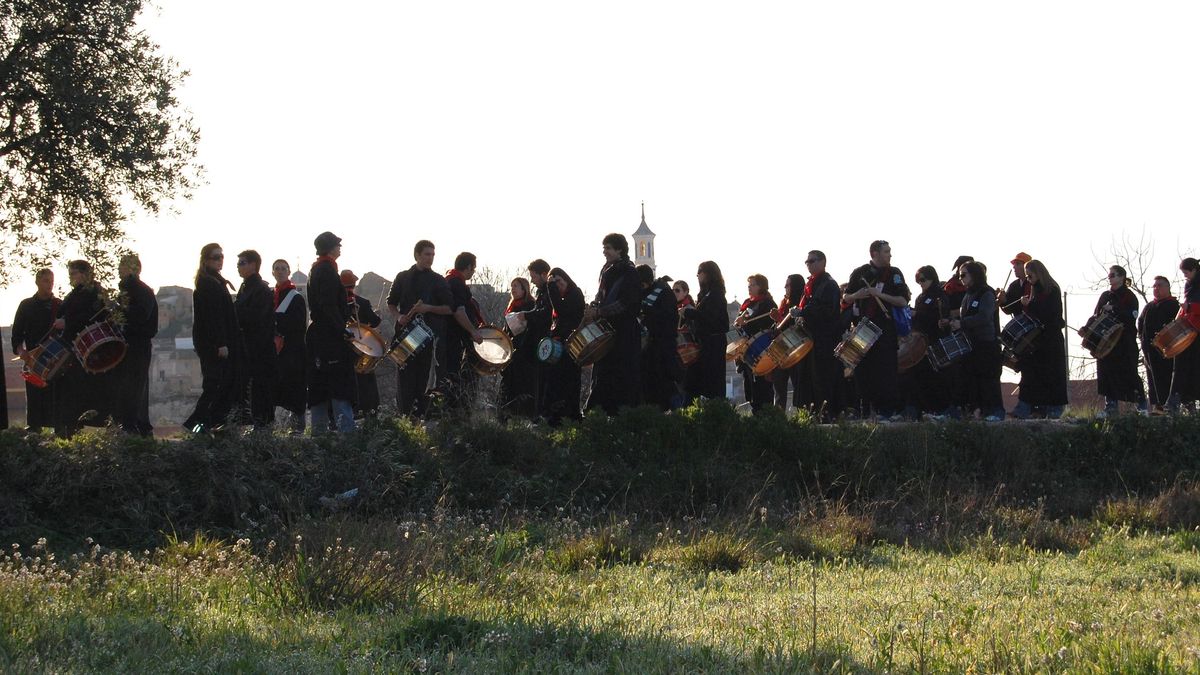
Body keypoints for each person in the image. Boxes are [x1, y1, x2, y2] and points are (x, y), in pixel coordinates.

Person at [842, 240, 911, 419]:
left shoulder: (894, 273)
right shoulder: (859, 273)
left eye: (889, 251)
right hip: (862, 328)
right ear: (874, 253)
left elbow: (903, 301)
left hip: (885, 329)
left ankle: (887, 410)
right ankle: (865, 409)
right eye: (886, 251)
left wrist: (879, 294)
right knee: (862, 371)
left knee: (886, 370)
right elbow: (846, 297)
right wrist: (858, 295)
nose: (890, 255)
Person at [387, 240, 452, 417]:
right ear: (417, 255)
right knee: (404, 378)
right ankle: (404, 417)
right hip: (405, 334)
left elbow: (449, 308)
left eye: (432, 254)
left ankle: (419, 417)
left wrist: (428, 308)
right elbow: (391, 302)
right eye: (427, 254)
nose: (430, 258)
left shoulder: (438, 280)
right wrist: (399, 316)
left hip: (427, 336)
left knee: (423, 379)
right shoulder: (402, 277)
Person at [185, 244, 241, 433]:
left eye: (221, 256)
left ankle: (207, 425)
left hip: (214, 343)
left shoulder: (214, 281)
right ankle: (197, 425)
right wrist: (221, 343)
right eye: (216, 257)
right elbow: (213, 317)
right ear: (206, 260)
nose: (220, 260)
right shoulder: (208, 284)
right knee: (215, 385)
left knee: (219, 384)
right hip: (214, 345)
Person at [53, 260, 113, 436]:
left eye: (73, 273)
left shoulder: (95, 293)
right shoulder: (76, 293)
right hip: (73, 350)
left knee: (85, 393)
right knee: (71, 393)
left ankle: (81, 428)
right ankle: (69, 428)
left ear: (84, 274)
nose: (70, 277)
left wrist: (67, 322)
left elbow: (92, 317)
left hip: (89, 352)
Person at [584, 233, 641, 415]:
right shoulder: (607, 270)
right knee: (602, 375)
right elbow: (601, 296)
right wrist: (593, 307)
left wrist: (600, 312)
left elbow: (626, 304)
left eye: (608, 248)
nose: (604, 252)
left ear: (619, 250)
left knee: (620, 379)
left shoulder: (630, 273)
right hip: (606, 332)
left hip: (623, 334)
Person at [306, 231, 355, 433]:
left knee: (319, 384)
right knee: (338, 383)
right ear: (330, 248)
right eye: (337, 245)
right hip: (329, 337)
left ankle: (319, 432)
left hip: (319, 335)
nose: (340, 248)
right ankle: (346, 431)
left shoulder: (317, 269)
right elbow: (328, 305)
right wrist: (342, 329)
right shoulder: (326, 270)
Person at [1011, 259, 1068, 419]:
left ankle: (1054, 408)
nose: (1028, 279)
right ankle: (1034, 407)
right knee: (1035, 374)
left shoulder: (1052, 289)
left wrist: (1029, 305)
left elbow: (1050, 314)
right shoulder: (1034, 290)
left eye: (1030, 276)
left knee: (1053, 374)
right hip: (1038, 339)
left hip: (1051, 338)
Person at [948, 261, 1004, 420]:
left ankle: (995, 412)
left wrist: (963, 323)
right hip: (971, 344)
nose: (961, 279)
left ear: (974, 274)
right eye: (960, 276)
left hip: (986, 344)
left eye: (964, 275)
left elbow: (984, 316)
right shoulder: (968, 294)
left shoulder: (986, 293)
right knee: (972, 381)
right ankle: (975, 411)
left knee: (989, 381)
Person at [1093, 265, 1146, 417]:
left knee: (1130, 373)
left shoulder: (1130, 297)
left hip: (1124, 342)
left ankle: (1141, 405)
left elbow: (1132, 316)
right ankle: (1111, 406)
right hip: (1107, 342)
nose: (1110, 278)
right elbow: (1096, 314)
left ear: (1122, 277)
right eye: (1109, 275)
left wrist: (1114, 309)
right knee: (1107, 373)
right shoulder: (1105, 296)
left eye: (1113, 275)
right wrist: (1086, 328)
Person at [11, 268, 60, 430]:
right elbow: (17, 334)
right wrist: (21, 352)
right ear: (37, 282)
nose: (50, 285)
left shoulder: (59, 305)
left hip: (54, 358)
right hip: (32, 359)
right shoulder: (26, 305)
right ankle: (34, 429)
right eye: (46, 281)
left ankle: (57, 430)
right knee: (34, 395)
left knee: (54, 395)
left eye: (52, 281)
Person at [115, 254, 158, 436]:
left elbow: (140, 316)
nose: (119, 270)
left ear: (134, 270)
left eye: (123, 267)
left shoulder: (142, 291)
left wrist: (118, 309)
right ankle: (132, 425)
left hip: (137, 344)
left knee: (135, 386)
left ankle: (134, 426)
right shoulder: (127, 292)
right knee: (129, 385)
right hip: (127, 343)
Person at [799, 251, 843, 421]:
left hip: (825, 338)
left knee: (824, 377)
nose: (809, 264)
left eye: (812, 261)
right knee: (812, 377)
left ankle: (827, 412)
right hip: (813, 337)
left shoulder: (829, 284)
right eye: (807, 261)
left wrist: (805, 312)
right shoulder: (812, 284)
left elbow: (829, 311)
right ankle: (815, 411)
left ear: (823, 262)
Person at [234, 250, 276, 429]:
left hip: (260, 348)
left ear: (253, 265)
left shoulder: (261, 289)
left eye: (242, 263)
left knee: (261, 389)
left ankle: (262, 425)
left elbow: (257, 318)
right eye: (238, 264)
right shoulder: (245, 287)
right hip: (247, 347)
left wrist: (236, 313)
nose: (238, 267)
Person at [542, 267, 585, 424]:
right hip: (558, 344)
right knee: (554, 382)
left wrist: (551, 288)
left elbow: (562, 310)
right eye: (554, 283)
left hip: (571, 345)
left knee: (569, 382)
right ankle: (554, 415)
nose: (557, 286)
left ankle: (569, 416)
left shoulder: (575, 294)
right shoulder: (557, 296)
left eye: (559, 282)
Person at [907, 265, 950, 418]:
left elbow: (937, 317)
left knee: (935, 378)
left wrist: (917, 315)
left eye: (923, 279)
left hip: (934, 341)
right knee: (919, 377)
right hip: (919, 343)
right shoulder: (921, 297)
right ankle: (921, 409)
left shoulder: (940, 295)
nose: (920, 283)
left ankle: (939, 410)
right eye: (918, 280)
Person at [682, 260, 729, 402]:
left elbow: (711, 318)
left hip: (713, 342)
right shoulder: (705, 294)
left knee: (713, 380)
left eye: (700, 271)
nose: (697, 275)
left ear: (708, 273)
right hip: (704, 341)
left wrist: (690, 313)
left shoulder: (716, 294)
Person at [443, 252, 485, 409]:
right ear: (468, 267)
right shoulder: (458, 284)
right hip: (457, 338)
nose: (474, 272)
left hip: (451, 337)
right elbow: (459, 312)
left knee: (451, 374)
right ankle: (459, 410)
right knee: (462, 375)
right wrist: (473, 331)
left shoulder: (448, 280)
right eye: (473, 268)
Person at [637, 265, 682, 411]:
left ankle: (677, 410)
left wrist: (649, 313)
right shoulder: (647, 293)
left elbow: (668, 320)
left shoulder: (664, 293)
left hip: (663, 347)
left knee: (666, 384)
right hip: (649, 348)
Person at [271, 259, 307, 432]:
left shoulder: (296, 297)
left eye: (283, 268)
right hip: (276, 351)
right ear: (272, 272)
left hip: (292, 351)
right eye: (276, 269)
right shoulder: (272, 296)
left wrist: (276, 322)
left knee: (295, 389)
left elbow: (299, 324)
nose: (280, 271)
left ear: (288, 271)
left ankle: (298, 429)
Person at [735, 274, 777, 413]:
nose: (749, 287)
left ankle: (765, 416)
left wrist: (746, 323)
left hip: (761, 350)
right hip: (747, 349)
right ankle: (756, 413)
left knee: (763, 387)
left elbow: (768, 325)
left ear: (761, 286)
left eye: (753, 284)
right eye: (749, 285)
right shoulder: (748, 303)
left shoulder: (768, 303)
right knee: (751, 388)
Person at [343, 269, 382, 418]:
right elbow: (376, 321)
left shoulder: (337, 304)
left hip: (347, 349)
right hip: (363, 347)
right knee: (366, 379)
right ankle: (370, 409)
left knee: (355, 379)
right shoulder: (362, 302)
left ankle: (355, 411)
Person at [1138, 275, 1180, 413]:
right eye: (1154, 286)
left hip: (1166, 351)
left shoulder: (1173, 305)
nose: (1156, 288)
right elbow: (1140, 324)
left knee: (1166, 378)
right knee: (1152, 380)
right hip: (1149, 351)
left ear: (1167, 288)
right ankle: (1157, 406)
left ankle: (1168, 407)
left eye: (1159, 285)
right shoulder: (1149, 306)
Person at [770, 273, 811, 412]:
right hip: (782, 347)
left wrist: (779, 318)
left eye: (788, 285)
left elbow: (793, 325)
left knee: (797, 382)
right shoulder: (784, 303)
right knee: (779, 384)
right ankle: (778, 415)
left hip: (795, 348)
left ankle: (802, 413)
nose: (785, 288)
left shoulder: (799, 303)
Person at [519, 259, 554, 417]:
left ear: (543, 274)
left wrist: (527, 316)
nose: (532, 280)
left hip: (544, 341)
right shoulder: (542, 292)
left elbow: (545, 314)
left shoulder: (549, 292)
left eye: (534, 276)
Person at [500, 276, 538, 417]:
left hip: (525, 353)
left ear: (524, 288)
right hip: (511, 352)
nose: (513, 289)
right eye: (512, 286)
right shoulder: (512, 307)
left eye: (516, 286)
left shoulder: (529, 307)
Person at [1169, 258, 1200, 413]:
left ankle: (1182, 399)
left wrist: (1190, 307)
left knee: (1192, 366)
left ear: (1194, 270)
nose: (1185, 276)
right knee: (1181, 365)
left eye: (1186, 272)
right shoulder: (1189, 286)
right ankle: (1180, 399)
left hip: (1197, 330)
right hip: (1189, 328)